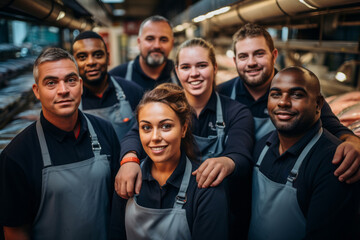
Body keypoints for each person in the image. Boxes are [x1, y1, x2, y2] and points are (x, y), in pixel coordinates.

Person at [116, 38, 254, 238]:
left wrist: (227, 161)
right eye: (186, 67)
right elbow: (134, 134)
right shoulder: (166, 105)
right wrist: (129, 160)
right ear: (177, 71)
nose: (194, 73)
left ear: (214, 68)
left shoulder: (236, 112)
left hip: (217, 207)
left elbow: (241, 154)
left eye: (202, 65)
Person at [0, 48, 120, 240]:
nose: (63, 90)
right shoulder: (16, 156)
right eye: (51, 83)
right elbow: (16, 232)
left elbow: (118, 207)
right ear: (36, 91)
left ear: (80, 85)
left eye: (70, 80)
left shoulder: (105, 131)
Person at [217, 23, 360, 183]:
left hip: (282, 180)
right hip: (234, 184)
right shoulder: (222, 93)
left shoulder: (301, 93)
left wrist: (354, 142)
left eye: (259, 54)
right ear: (235, 60)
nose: (251, 62)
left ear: (274, 55)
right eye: (244, 56)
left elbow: (335, 129)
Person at [249, 66, 359, 239]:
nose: (283, 102)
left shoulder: (334, 163)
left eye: (297, 95)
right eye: (276, 94)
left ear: (318, 104)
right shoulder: (262, 146)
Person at [109, 83, 229, 240]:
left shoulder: (205, 188)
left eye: (166, 126)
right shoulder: (127, 180)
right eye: (146, 128)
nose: (155, 137)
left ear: (183, 129)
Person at [72, 31, 144, 141]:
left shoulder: (133, 91)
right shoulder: (70, 99)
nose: (91, 62)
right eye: (82, 57)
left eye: (98, 55)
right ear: (74, 63)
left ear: (108, 58)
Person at [109, 15, 179, 91]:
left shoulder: (183, 76)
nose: (157, 45)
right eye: (150, 39)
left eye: (163, 40)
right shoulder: (115, 77)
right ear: (139, 43)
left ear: (172, 44)